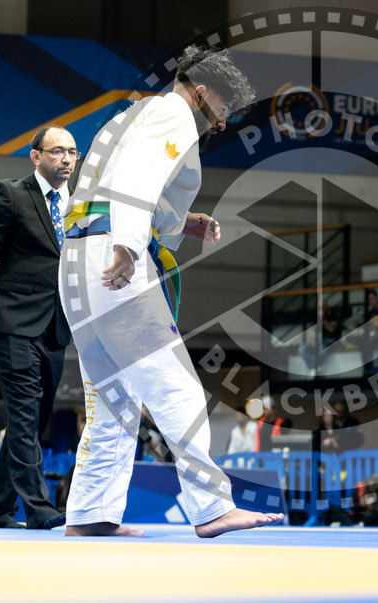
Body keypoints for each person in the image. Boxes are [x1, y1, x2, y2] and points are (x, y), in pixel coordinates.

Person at [58, 45, 281, 538]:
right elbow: (137, 181)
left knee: (114, 396)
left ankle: (90, 516)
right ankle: (212, 508)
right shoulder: (172, 113)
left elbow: (123, 184)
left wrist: (182, 226)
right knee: (175, 383)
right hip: (112, 258)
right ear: (200, 94)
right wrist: (130, 248)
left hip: (78, 259)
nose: (222, 123)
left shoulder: (134, 114)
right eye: (221, 110)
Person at [0, 125, 76, 531]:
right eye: (58, 151)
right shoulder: (11, 195)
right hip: (10, 324)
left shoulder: (78, 205)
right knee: (25, 414)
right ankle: (40, 509)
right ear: (35, 156)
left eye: (72, 153)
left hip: (55, 330)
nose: (66, 159)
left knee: (33, 419)